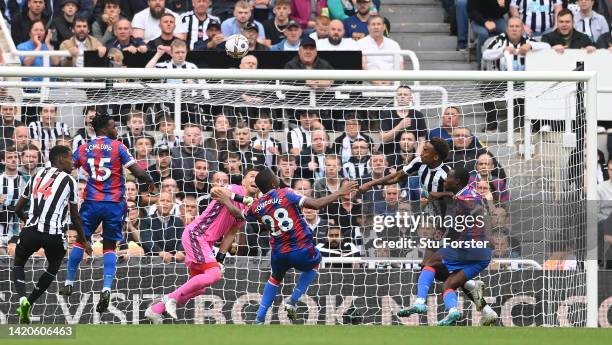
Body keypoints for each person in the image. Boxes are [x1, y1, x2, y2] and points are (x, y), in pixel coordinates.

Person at [60, 113, 155, 314]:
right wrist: (149, 181)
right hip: (113, 204)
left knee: (79, 240)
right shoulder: (118, 146)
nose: (116, 129)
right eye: (113, 126)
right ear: (104, 129)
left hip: (92, 202)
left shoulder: (83, 148)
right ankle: (106, 288)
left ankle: (69, 281)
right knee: (110, 245)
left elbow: (68, 167)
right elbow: (137, 171)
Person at [235, 168, 358, 323]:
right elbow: (316, 204)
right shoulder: (285, 192)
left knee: (274, 279)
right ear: (274, 182)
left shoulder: (256, 206)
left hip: (279, 253)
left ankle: (259, 318)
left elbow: (240, 214)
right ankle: (292, 301)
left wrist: (227, 199)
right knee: (316, 262)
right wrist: (340, 192)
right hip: (299, 248)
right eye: (276, 176)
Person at [145, 168, 260, 323]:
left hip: (206, 242)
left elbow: (231, 234)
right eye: (252, 176)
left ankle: (155, 309)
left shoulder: (247, 208)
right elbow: (215, 191)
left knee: (200, 287)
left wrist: (220, 259)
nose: (255, 180)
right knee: (214, 274)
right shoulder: (234, 189)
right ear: (244, 180)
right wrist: (234, 201)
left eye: (258, 178)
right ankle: (168, 299)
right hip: (196, 234)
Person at [401, 167, 493, 326]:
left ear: (457, 181)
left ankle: (420, 302)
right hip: (483, 255)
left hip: (468, 247)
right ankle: (454, 311)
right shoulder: (470, 193)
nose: (445, 180)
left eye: (448, 177)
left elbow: (454, 228)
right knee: (449, 284)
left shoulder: (462, 201)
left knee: (430, 263)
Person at [12, 145, 91, 324]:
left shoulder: (36, 175)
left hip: (30, 231)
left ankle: (22, 298)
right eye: (71, 159)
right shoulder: (69, 180)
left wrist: (27, 222)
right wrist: (84, 241)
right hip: (54, 235)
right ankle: (30, 302)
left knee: (18, 264)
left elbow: (18, 208)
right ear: (61, 159)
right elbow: (75, 216)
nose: (74, 163)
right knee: (54, 266)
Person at [380, 85, 427, 156]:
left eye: (405, 94)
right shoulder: (386, 114)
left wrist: (416, 158)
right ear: (396, 97)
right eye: (400, 94)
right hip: (388, 154)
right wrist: (400, 126)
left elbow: (422, 141)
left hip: (411, 155)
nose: (402, 96)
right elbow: (383, 139)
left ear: (410, 98)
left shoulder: (418, 115)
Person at [468, 0, 509, 64]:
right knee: (483, 34)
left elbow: (503, 12)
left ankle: (503, 61)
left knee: (507, 32)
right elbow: (472, 11)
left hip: (496, 19)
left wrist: (503, 6)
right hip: (478, 20)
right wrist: (485, 22)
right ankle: (480, 63)